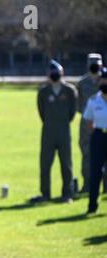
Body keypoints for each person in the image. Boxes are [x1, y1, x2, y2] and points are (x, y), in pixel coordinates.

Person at [31, 60, 77, 204]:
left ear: (62, 73)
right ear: (47, 75)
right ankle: (45, 194)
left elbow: (72, 112)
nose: (55, 75)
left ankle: (67, 194)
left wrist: (62, 122)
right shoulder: (43, 92)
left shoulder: (70, 91)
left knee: (66, 164)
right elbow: (41, 111)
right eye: (52, 73)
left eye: (57, 72)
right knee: (45, 164)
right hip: (48, 133)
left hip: (64, 132)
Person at [77, 53, 106, 193]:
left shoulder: (105, 80)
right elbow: (78, 105)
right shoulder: (82, 83)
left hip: (104, 124)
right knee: (87, 154)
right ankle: (87, 186)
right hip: (86, 125)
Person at [83, 67, 107, 214]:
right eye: (103, 79)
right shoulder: (93, 100)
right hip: (99, 137)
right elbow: (89, 122)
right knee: (95, 172)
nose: (105, 82)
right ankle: (92, 205)